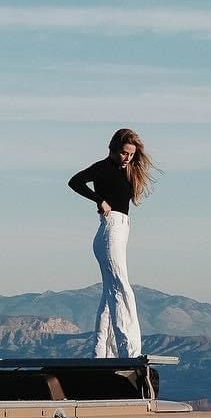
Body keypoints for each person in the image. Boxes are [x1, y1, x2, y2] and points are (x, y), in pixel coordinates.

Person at [67, 128, 157, 358]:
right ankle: (130, 351)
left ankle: (102, 352)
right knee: (121, 288)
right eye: (124, 153)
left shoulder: (125, 170)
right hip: (110, 230)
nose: (127, 158)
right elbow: (75, 181)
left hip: (121, 229)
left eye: (131, 154)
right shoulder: (103, 168)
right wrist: (100, 200)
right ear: (114, 149)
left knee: (110, 294)